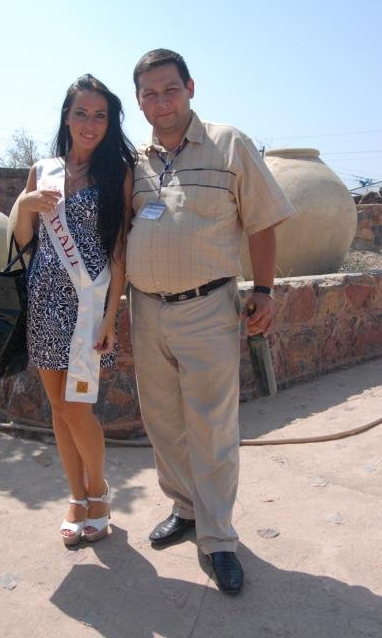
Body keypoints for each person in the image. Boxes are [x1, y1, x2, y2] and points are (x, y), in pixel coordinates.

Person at [126, 49, 295, 595]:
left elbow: (262, 222)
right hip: (146, 310)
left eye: (170, 89)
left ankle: (218, 538)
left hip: (207, 309)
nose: (161, 102)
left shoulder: (229, 144)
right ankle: (186, 509)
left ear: (191, 88)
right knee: (163, 422)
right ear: (138, 101)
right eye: (149, 93)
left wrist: (264, 290)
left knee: (213, 428)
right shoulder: (136, 160)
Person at [14, 74, 135, 546]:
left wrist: (110, 316)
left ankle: (99, 491)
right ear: (66, 117)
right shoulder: (42, 170)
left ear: (109, 122)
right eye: (81, 113)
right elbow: (25, 241)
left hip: (88, 305)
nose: (90, 123)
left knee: (77, 407)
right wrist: (25, 202)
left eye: (100, 115)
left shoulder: (117, 173)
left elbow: (119, 250)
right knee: (59, 409)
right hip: (45, 300)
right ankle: (76, 496)